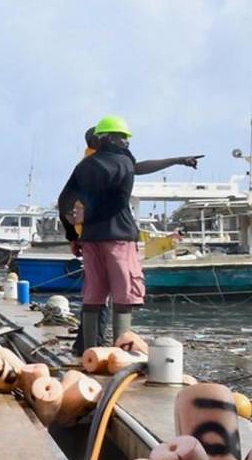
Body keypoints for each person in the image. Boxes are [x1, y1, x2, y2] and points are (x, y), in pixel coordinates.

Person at [57, 115, 202, 350]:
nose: (127, 143)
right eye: (123, 139)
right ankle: (119, 353)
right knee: (124, 297)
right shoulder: (124, 164)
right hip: (119, 238)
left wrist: (73, 236)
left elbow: (64, 203)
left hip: (91, 240)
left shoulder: (83, 167)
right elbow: (130, 180)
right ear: (111, 139)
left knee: (93, 296)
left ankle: (90, 353)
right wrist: (177, 160)